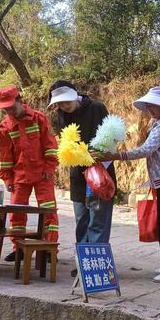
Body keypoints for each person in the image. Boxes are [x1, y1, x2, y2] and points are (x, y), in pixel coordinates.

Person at [95, 86, 160, 283]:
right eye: (149, 105)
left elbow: (145, 150)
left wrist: (116, 155)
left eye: (155, 105)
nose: (151, 109)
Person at [47, 81, 116, 277]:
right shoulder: (61, 115)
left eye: (66, 102)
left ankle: (95, 265)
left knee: (98, 220)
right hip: (78, 175)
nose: (64, 107)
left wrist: (96, 154)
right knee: (82, 220)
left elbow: (110, 139)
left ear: (74, 95)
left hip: (100, 172)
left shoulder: (96, 108)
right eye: (59, 104)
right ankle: (83, 262)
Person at [0, 85, 59, 261]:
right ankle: (19, 249)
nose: (9, 111)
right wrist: (7, 177)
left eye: (11, 106)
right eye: (5, 108)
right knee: (16, 213)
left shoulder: (39, 119)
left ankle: (48, 249)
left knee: (48, 212)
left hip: (42, 175)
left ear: (20, 100)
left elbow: (51, 146)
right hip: (19, 176)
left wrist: (49, 168)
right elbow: (6, 156)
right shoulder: (5, 127)